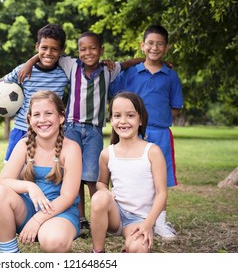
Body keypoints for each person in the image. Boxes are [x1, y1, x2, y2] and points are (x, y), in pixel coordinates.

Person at [18, 31, 142, 237]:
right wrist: (30, 62)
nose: (88, 52)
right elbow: (47, 53)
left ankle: (98, 216)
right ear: (77, 52)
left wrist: (153, 61)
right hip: (72, 127)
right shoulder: (71, 65)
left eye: (93, 48)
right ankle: (80, 216)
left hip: (94, 130)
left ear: (101, 51)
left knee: (92, 175)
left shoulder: (108, 70)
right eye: (83, 49)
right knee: (71, 174)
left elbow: (128, 63)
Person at [109, 25, 183, 239]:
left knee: (162, 177)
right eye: (150, 43)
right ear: (143, 45)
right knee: (131, 174)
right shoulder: (131, 72)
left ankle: (159, 222)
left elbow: (175, 106)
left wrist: (156, 119)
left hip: (160, 133)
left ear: (166, 48)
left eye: (160, 44)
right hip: (133, 132)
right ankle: (125, 217)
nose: (155, 47)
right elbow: (116, 96)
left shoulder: (171, 76)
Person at [0, 90, 82, 253]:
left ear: (61, 117)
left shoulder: (71, 149)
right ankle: (10, 255)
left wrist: (38, 220)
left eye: (48, 113)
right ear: (30, 120)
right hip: (28, 209)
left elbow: (68, 197)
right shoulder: (24, 145)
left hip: (59, 212)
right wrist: (31, 187)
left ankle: (49, 232)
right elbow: (4, 180)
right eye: (37, 114)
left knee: (54, 242)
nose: (42, 119)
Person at [90, 91, 168, 253]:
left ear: (140, 119)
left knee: (138, 249)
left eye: (130, 115)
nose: (123, 121)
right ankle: (98, 253)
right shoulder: (107, 153)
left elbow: (162, 194)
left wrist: (148, 224)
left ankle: (129, 249)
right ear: (111, 120)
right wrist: (105, 192)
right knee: (99, 197)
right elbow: (101, 182)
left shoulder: (152, 151)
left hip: (139, 220)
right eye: (117, 116)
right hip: (115, 215)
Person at [0, 23, 69, 163]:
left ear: (62, 50)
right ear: (37, 47)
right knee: (13, 169)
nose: (48, 53)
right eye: (44, 48)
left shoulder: (65, 72)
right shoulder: (24, 70)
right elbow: (4, 80)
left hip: (49, 131)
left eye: (54, 49)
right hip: (22, 128)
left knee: (42, 170)